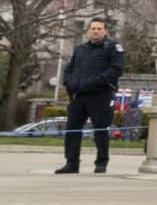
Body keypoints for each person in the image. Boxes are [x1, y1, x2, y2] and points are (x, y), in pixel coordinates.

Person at [54, 15, 126, 175]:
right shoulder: (81, 49)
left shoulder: (112, 47)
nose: (95, 31)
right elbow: (69, 69)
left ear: (105, 31)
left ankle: (101, 163)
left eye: (99, 29)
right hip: (78, 96)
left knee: (100, 130)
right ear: (88, 31)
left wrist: (97, 81)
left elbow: (117, 69)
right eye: (93, 28)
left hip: (100, 95)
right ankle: (71, 163)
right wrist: (69, 83)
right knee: (72, 130)